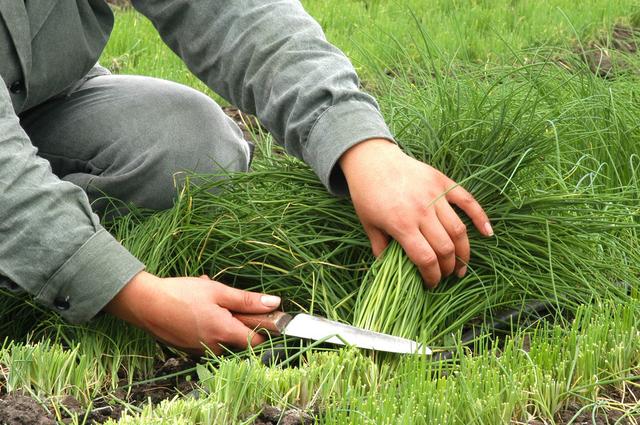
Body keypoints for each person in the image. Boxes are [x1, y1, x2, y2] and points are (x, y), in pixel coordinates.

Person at [0, 1, 492, 354]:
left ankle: (43, 253)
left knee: (194, 146)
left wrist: (363, 149)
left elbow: (231, 13)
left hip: (38, 100)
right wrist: (135, 295)